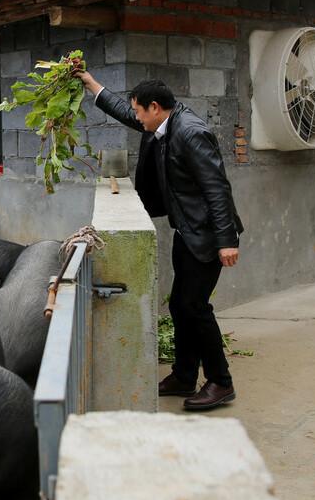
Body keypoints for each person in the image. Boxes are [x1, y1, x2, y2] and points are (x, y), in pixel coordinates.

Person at [74, 71, 243, 410]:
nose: (136, 117)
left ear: (154, 107)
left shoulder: (192, 133)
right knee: (180, 305)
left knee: (195, 307)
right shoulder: (163, 125)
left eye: (139, 112)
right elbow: (123, 111)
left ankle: (221, 382)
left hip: (207, 236)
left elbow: (217, 189)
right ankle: (183, 374)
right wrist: (91, 84)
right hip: (187, 231)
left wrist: (227, 241)